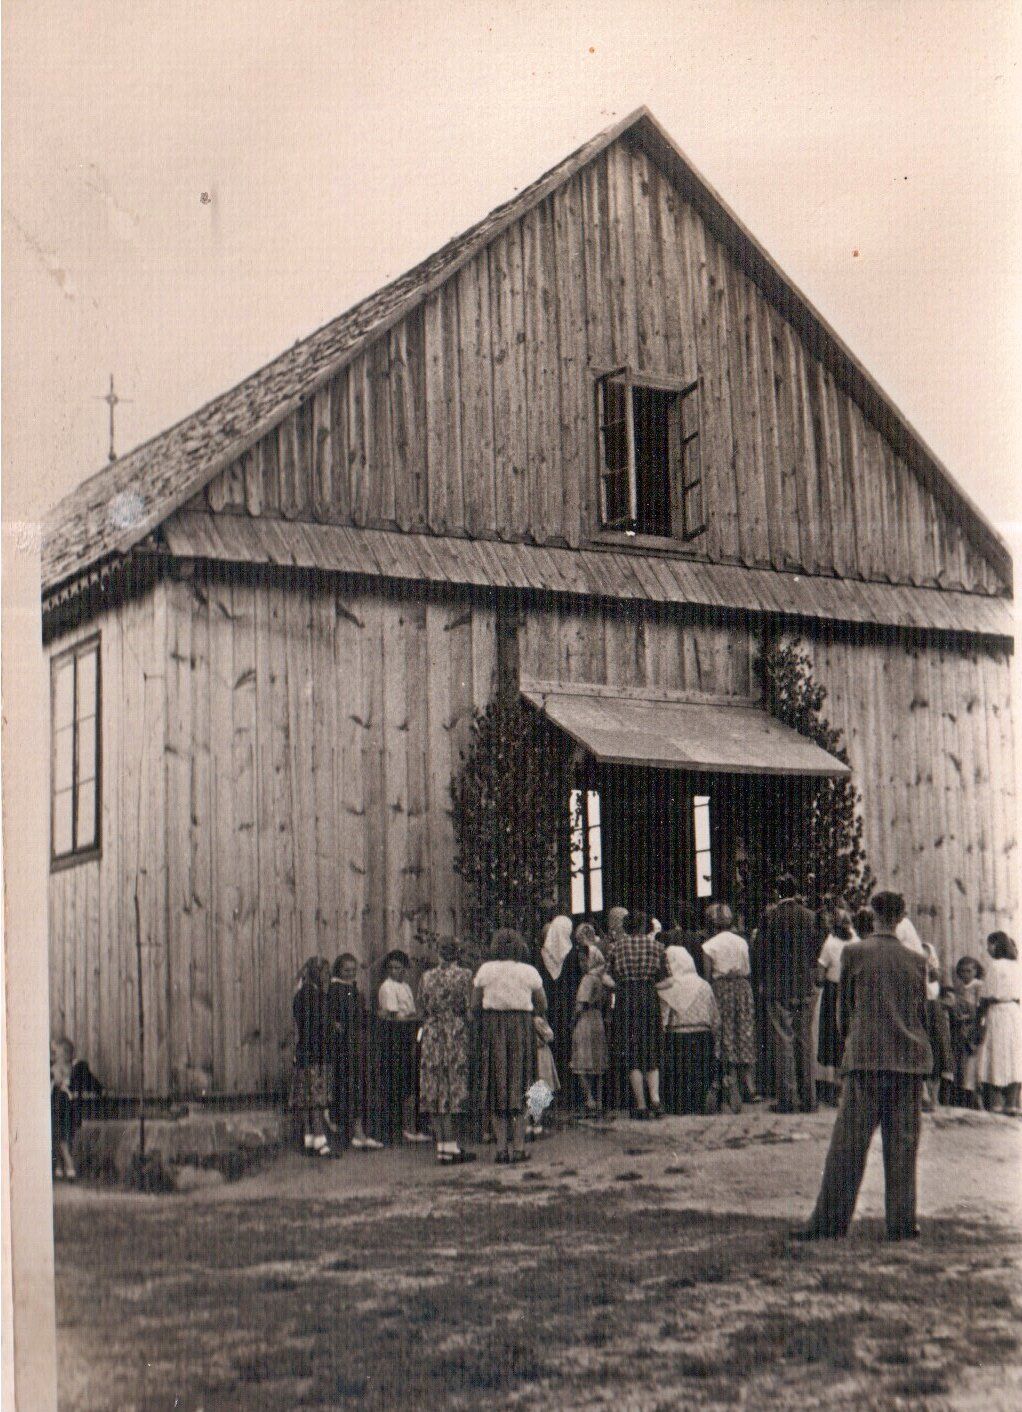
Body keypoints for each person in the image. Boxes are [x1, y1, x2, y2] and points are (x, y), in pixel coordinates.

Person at [793, 890, 932, 1243]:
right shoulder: (917, 961)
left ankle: (830, 1223)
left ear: (872, 913)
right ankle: (902, 1224)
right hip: (908, 1060)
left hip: (866, 1057)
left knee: (848, 1145)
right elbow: (921, 1013)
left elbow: (844, 1011)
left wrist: (851, 1044)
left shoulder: (854, 953)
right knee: (903, 1146)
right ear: (901, 916)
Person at [473, 929, 548, 1163]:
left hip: (493, 1027)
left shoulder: (486, 970)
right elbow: (542, 1003)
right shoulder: (528, 971)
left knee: (497, 1086)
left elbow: (475, 1003)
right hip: (521, 1028)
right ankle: (519, 1148)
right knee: (523, 1082)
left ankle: (501, 1150)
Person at [756, 875, 821, 1114]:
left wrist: (762, 980)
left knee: (783, 1040)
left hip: (778, 986)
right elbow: (816, 950)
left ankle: (787, 1098)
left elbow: (761, 952)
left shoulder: (769, 917)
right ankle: (809, 1098)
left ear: (778, 892)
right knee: (805, 1040)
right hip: (804, 984)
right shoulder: (810, 917)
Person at [418, 939, 476, 1164]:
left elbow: (422, 1006)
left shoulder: (426, 977)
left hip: (432, 1032)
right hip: (454, 1032)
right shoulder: (465, 976)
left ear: (438, 953)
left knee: (435, 1084)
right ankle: (451, 1144)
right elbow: (469, 1008)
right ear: (457, 953)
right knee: (452, 1085)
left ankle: (442, 1145)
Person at [606, 911, 668, 1119]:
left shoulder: (616, 947)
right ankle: (655, 1100)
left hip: (626, 998)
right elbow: (668, 980)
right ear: (645, 926)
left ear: (625, 927)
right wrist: (650, 986)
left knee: (631, 1051)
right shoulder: (657, 947)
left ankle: (640, 1105)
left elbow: (605, 977)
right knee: (651, 1049)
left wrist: (620, 986)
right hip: (648, 997)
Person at [702, 902, 759, 1114]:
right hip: (742, 987)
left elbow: (707, 976)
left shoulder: (709, 945)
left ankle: (729, 1080)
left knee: (724, 1032)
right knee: (744, 1031)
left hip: (722, 988)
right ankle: (749, 1084)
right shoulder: (742, 942)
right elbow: (748, 967)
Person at [657, 937, 721, 1115]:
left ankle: (679, 1106)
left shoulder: (667, 988)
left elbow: (664, 1017)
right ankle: (700, 1104)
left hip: (677, 1037)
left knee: (678, 1074)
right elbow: (715, 1016)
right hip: (703, 1035)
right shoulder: (703, 985)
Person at [327, 954, 382, 1152]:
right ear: (338, 970)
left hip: (357, 1044)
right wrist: (335, 1024)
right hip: (345, 1047)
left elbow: (360, 1014)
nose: (350, 973)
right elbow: (336, 1016)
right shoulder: (336, 989)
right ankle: (356, 1134)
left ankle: (356, 1133)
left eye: (353, 970)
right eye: (346, 970)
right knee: (351, 1088)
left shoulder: (351, 988)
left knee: (358, 1087)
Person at [377, 950, 430, 1145]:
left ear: (404, 969)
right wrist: (416, 1018)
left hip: (409, 1036)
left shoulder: (406, 986)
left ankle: (412, 1126)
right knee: (402, 1083)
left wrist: (415, 1018)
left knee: (412, 1082)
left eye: (398, 968)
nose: (394, 971)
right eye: (390, 968)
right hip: (395, 1039)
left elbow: (411, 1012)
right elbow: (394, 1017)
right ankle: (404, 1128)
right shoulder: (387, 987)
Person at [538, 914, 586, 1103]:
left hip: (548, 1007)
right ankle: (569, 1094)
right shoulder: (573, 954)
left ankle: (549, 1094)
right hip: (568, 1007)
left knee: (550, 1048)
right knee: (568, 1047)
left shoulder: (541, 954)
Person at [975, 932, 1022, 1116]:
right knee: (1013, 1055)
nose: (988, 948)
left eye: (989, 944)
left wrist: (979, 1019)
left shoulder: (995, 966)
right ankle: (1011, 1103)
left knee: (996, 1053)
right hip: (1014, 1013)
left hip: (998, 1013)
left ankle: (996, 1102)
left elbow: (986, 996)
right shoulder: (1016, 966)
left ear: (995, 945)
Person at [291, 957, 334, 1157]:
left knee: (306, 1099)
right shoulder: (315, 996)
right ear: (317, 973)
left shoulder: (301, 994)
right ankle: (320, 1140)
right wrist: (332, 1027)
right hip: (316, 1053)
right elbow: (319, 1025)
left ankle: (309, 1139)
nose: (328, 976)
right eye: (325, 972)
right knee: (316, 1099)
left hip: (305, 1051)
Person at [815, 908, 857, 1105]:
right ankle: (846, 1084)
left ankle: (833, 1085)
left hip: (833, 991)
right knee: (847, 1034)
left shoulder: (830, 943)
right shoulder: (856, 942)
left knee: (831, 1035)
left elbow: (820, 973)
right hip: (853, 991)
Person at [570, 945, 615, 1115]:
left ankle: (589, 1099)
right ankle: (600, 1100)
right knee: (597, 1062)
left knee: (581, 1062)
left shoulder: (588, 979)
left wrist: (572, 1021)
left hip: (585, 1020)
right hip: (598, 1019)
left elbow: (580, 1005)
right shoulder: (604, 979)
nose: (582, 964)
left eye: (584, 960)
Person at [919, 939, 954, 1111]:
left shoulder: (939, 975)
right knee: (921, 1050)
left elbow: (950, 999)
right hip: (919, 1014)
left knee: (938, 1052)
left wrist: (939, 1005)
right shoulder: (915, 973)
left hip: (935, 1016)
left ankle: (934, 1098)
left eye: (926, 955)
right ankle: (923, 1095)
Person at [950, 955, 984, 1110]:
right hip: (960, 1027)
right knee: (960, 1061)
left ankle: (974, 1097)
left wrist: (970, 1015)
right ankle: (960, 1095)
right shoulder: (959, 987)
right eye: (962, 971)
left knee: (972, 1062)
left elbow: (979, 1008)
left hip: (973, 1026)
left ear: (976, 971)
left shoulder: (978, 986)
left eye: (969, 971)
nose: (965, 974)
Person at [50, 1039, 78, 1180]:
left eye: (56, 1053)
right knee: (61, 1136)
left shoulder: (57, 1067)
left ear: (64, 1054)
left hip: (59, 1103)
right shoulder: (70, 1067)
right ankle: (60, 1168)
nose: (54, 1055)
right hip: (67, 1103)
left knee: (61, 1137)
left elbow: (57, 1082)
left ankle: (69, 1166)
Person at [529, 1015, 559, 1136]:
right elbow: (549, 1036)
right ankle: (537, 1125)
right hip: (540, 1055)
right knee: (540, 1089)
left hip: (529, 1054)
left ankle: (529, 1124)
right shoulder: (538, 1020)